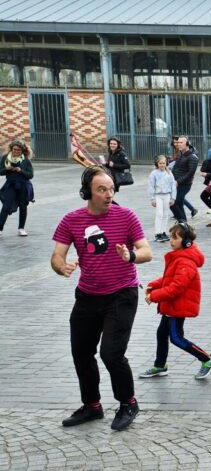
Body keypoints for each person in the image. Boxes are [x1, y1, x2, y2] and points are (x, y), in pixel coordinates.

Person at [52, 166, 153, 431]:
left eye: (111, 188)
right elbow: (57, 255)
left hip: (122, 294)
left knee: (111, 352)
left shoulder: (126, 216)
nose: (109, 194)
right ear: (87, 192)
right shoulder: (71, 220)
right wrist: (60, 266)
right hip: (87, 295)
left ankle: (128, 403)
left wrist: (130, 255)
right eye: (102, 189)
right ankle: (92, 406)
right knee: (81, 352)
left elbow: (146, 251)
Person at [139, 222, 211, 380]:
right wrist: (153, 285)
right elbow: (169, 278)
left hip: (177, 306)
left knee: (176, 338)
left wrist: (154, 296)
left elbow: (176, 288)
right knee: (161, 334)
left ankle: (207, 359)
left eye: (175, 237)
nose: (171, 240)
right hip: (171, 306)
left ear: (186, 241)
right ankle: (160, 366)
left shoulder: (185, 262)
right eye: (171, 237)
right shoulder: (179, 257)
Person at [0, 139, 34, 236]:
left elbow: (30, 175)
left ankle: (21, 228)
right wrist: (6, 169)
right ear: (11, 149)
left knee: (23, 207)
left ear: (22, 151)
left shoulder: (26, 160)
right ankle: (0, 228)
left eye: (18, 150)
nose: (16, 151)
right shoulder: (6, 158)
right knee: (6, 206)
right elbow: (0, 172)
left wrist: (20, 170)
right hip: (10, 185)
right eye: (14, 149)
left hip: (23, 186)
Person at [169, 136, 199, 225]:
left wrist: (178, 181)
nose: (178, 144)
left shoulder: (193, 157)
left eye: (181, 142)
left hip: (184, 185)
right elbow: (176, 168)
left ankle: (182, 221)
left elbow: (190, 173)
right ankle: (183, 224)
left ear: (187, 144)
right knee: (179, 204)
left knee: (173, 203)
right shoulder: (181, 154)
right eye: (178, 142)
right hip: (176, 183)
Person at [147, 155, 175, 242]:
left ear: (166, 163)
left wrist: (173, 197)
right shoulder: (154, 173)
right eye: (160, 163)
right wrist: (152, 198)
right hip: (158, 195)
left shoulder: (169, 173)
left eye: (164, 163)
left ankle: (163, 231)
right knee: (159, 214)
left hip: (167, 195)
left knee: (165, 214)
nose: (162, 165)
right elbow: (151, 186)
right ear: (157, 163)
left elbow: (173, 185)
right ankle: (157, 233)